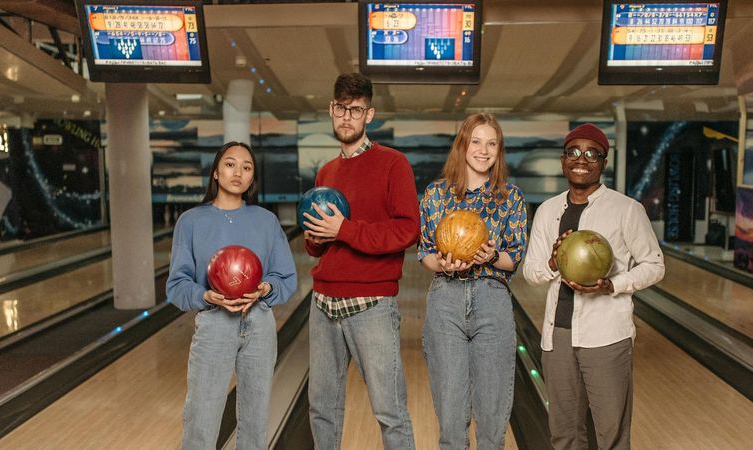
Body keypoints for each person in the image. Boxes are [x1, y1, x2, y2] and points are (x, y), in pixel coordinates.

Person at [522, 124, 665, 450]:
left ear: (603, 161)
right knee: (564, 433)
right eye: (573, 152)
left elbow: (655, 265)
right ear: (563, 160)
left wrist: (612, 284)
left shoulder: (627, 209)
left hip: (607, 337)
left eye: (591, 153)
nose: (581, 159)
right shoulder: (546, 211)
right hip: (556, 337)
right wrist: (553, 264)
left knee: (611, 433)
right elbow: (531, 273)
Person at [301, 73, 420, 450]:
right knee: (322, 407)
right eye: (340, 109)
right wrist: (317, 238)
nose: (346, 117)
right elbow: (321, 246)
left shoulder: (393, 164)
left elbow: (407, 231)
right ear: (330, 111)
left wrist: (345, 230)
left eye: (355, 110)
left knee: (390, 410)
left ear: (369, 114)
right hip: (323, 303)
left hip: (370, 305)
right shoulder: (326, 171)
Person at [166, 141, 297, 450]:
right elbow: (177, 286)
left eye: (247, 167)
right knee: (202, 414)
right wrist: (208, 296)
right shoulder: (191, 222)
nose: (238, 172)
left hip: (259, 323)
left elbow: (285, 278)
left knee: (255, 418)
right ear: (216, 172)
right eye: (230, 164)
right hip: (214, 323)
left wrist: (264, 289)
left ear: (252, 178)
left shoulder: (266, 221)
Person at [417, 113, 527, 449]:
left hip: (492, 298)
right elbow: (425, 253)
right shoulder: (436, 194)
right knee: (451, 419)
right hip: (446, 299)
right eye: (476, 141)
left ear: (499, 150)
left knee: (492, 421)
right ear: (463, 145)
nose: (483, 150)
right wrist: (445, 265)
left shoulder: (511, 196)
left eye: (491, 143)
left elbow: (515, 257)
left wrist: (492, 257)